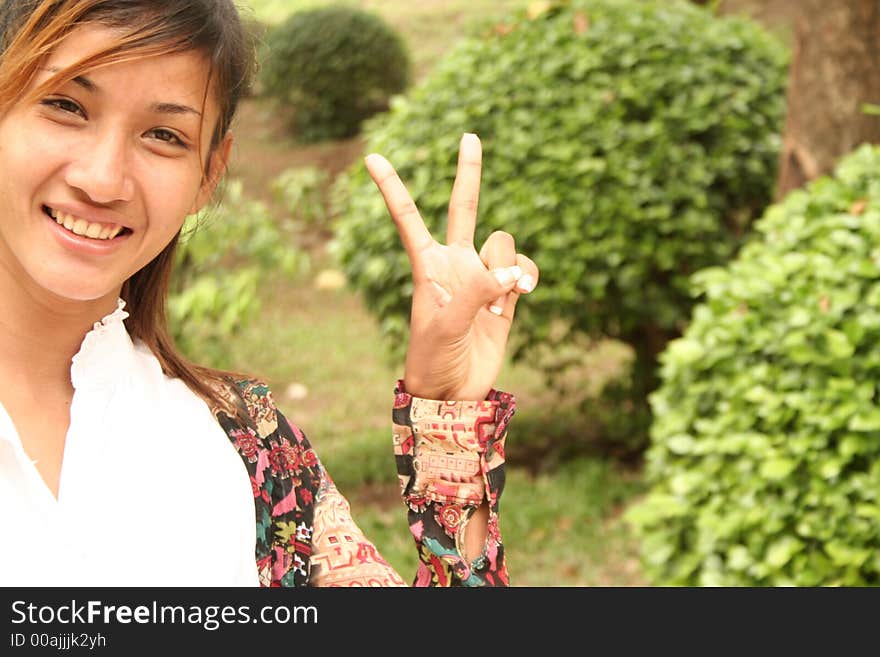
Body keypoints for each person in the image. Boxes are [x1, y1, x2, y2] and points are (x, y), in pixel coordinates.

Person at [0, 0, 539, 587]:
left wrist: (448, 418)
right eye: (65, 105)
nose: (102, 179)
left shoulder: (251, 447)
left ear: (209, 173)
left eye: (163, 134)